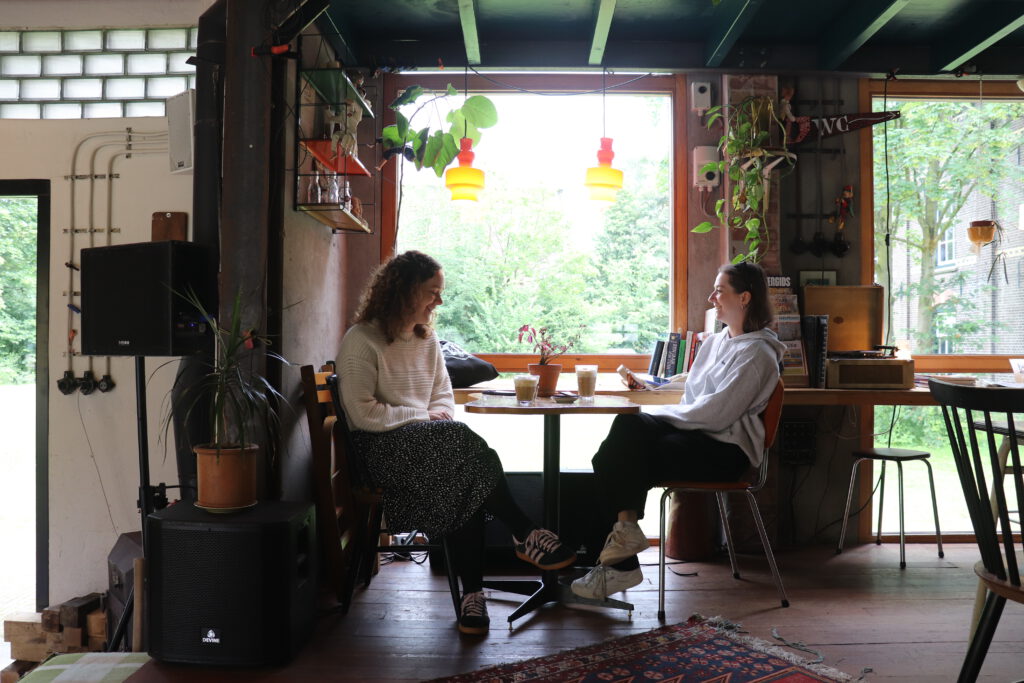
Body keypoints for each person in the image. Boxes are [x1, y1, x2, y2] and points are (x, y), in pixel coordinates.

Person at [336, 250, 576, 635]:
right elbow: (363, 414)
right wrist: (424, 417)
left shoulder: (425, 340)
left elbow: (443, 395)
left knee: (464, 475)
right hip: (379, 451)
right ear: (405, 290)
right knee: (463, 449)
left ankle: (474, 597)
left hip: (429, 445)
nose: (439, 301)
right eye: (432, 292)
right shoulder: (361, 340)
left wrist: (439, 416)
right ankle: (523, 532)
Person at [571, 261, 785, 600]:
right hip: (699, 439)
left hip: (726, 452)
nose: (712, 297)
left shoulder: (759, 355)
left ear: (744, 298)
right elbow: (698, 390)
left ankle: (619, 562)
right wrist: (657, 391)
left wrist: (658, 415)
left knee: (619, 452)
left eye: (720, 290)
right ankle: (623, 543)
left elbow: (716, 414)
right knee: (622, 440)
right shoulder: (717, 342)